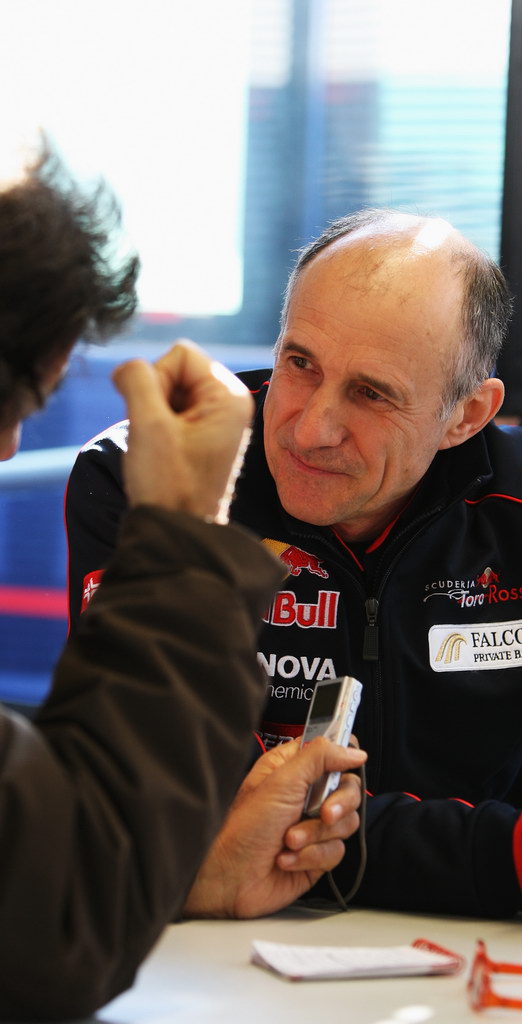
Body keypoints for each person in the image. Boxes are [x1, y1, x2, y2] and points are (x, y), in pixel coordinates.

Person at [66, 208, 522, 934]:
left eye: (370, 393)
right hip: (208, 950)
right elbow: (156, 795)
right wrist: (513, 859)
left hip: (488, 953)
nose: (308, 428)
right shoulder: (156, 474)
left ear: (466, 416)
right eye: (300, 363)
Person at [0, 145, 366, 1021]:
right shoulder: (114, 483)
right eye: (14, 410)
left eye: (373, 392)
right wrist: (181, 539)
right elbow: (49, 936)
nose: (10, 450)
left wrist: (178, 873)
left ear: (468, 412)